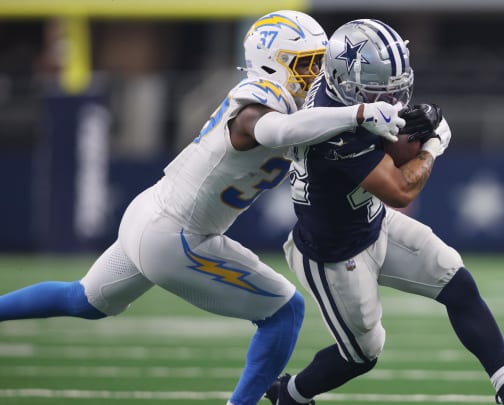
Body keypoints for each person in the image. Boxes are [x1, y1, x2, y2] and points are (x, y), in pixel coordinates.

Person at [0, 10, 406, 405]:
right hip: (176, 235)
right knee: (285, 311)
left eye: (319, 63)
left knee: (83, 301)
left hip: (152, 213)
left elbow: (322, 135)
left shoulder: (302, 108)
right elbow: (277, 130)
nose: (315, 75)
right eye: (305, 64)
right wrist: (358, 112)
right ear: (272, 64)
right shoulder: (259, 100)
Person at [266, 19, 504, 405]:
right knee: (362, 354)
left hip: (372, 221)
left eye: (395, 90)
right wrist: (432, 144)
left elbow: (389, 138)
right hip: (333, 254)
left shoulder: (345, 97)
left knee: (455, 279)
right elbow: (399, 188)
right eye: (379, 92)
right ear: (346, 84)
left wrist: (420, 120)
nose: (392, 102)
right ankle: (290, 395)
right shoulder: (332, 131)